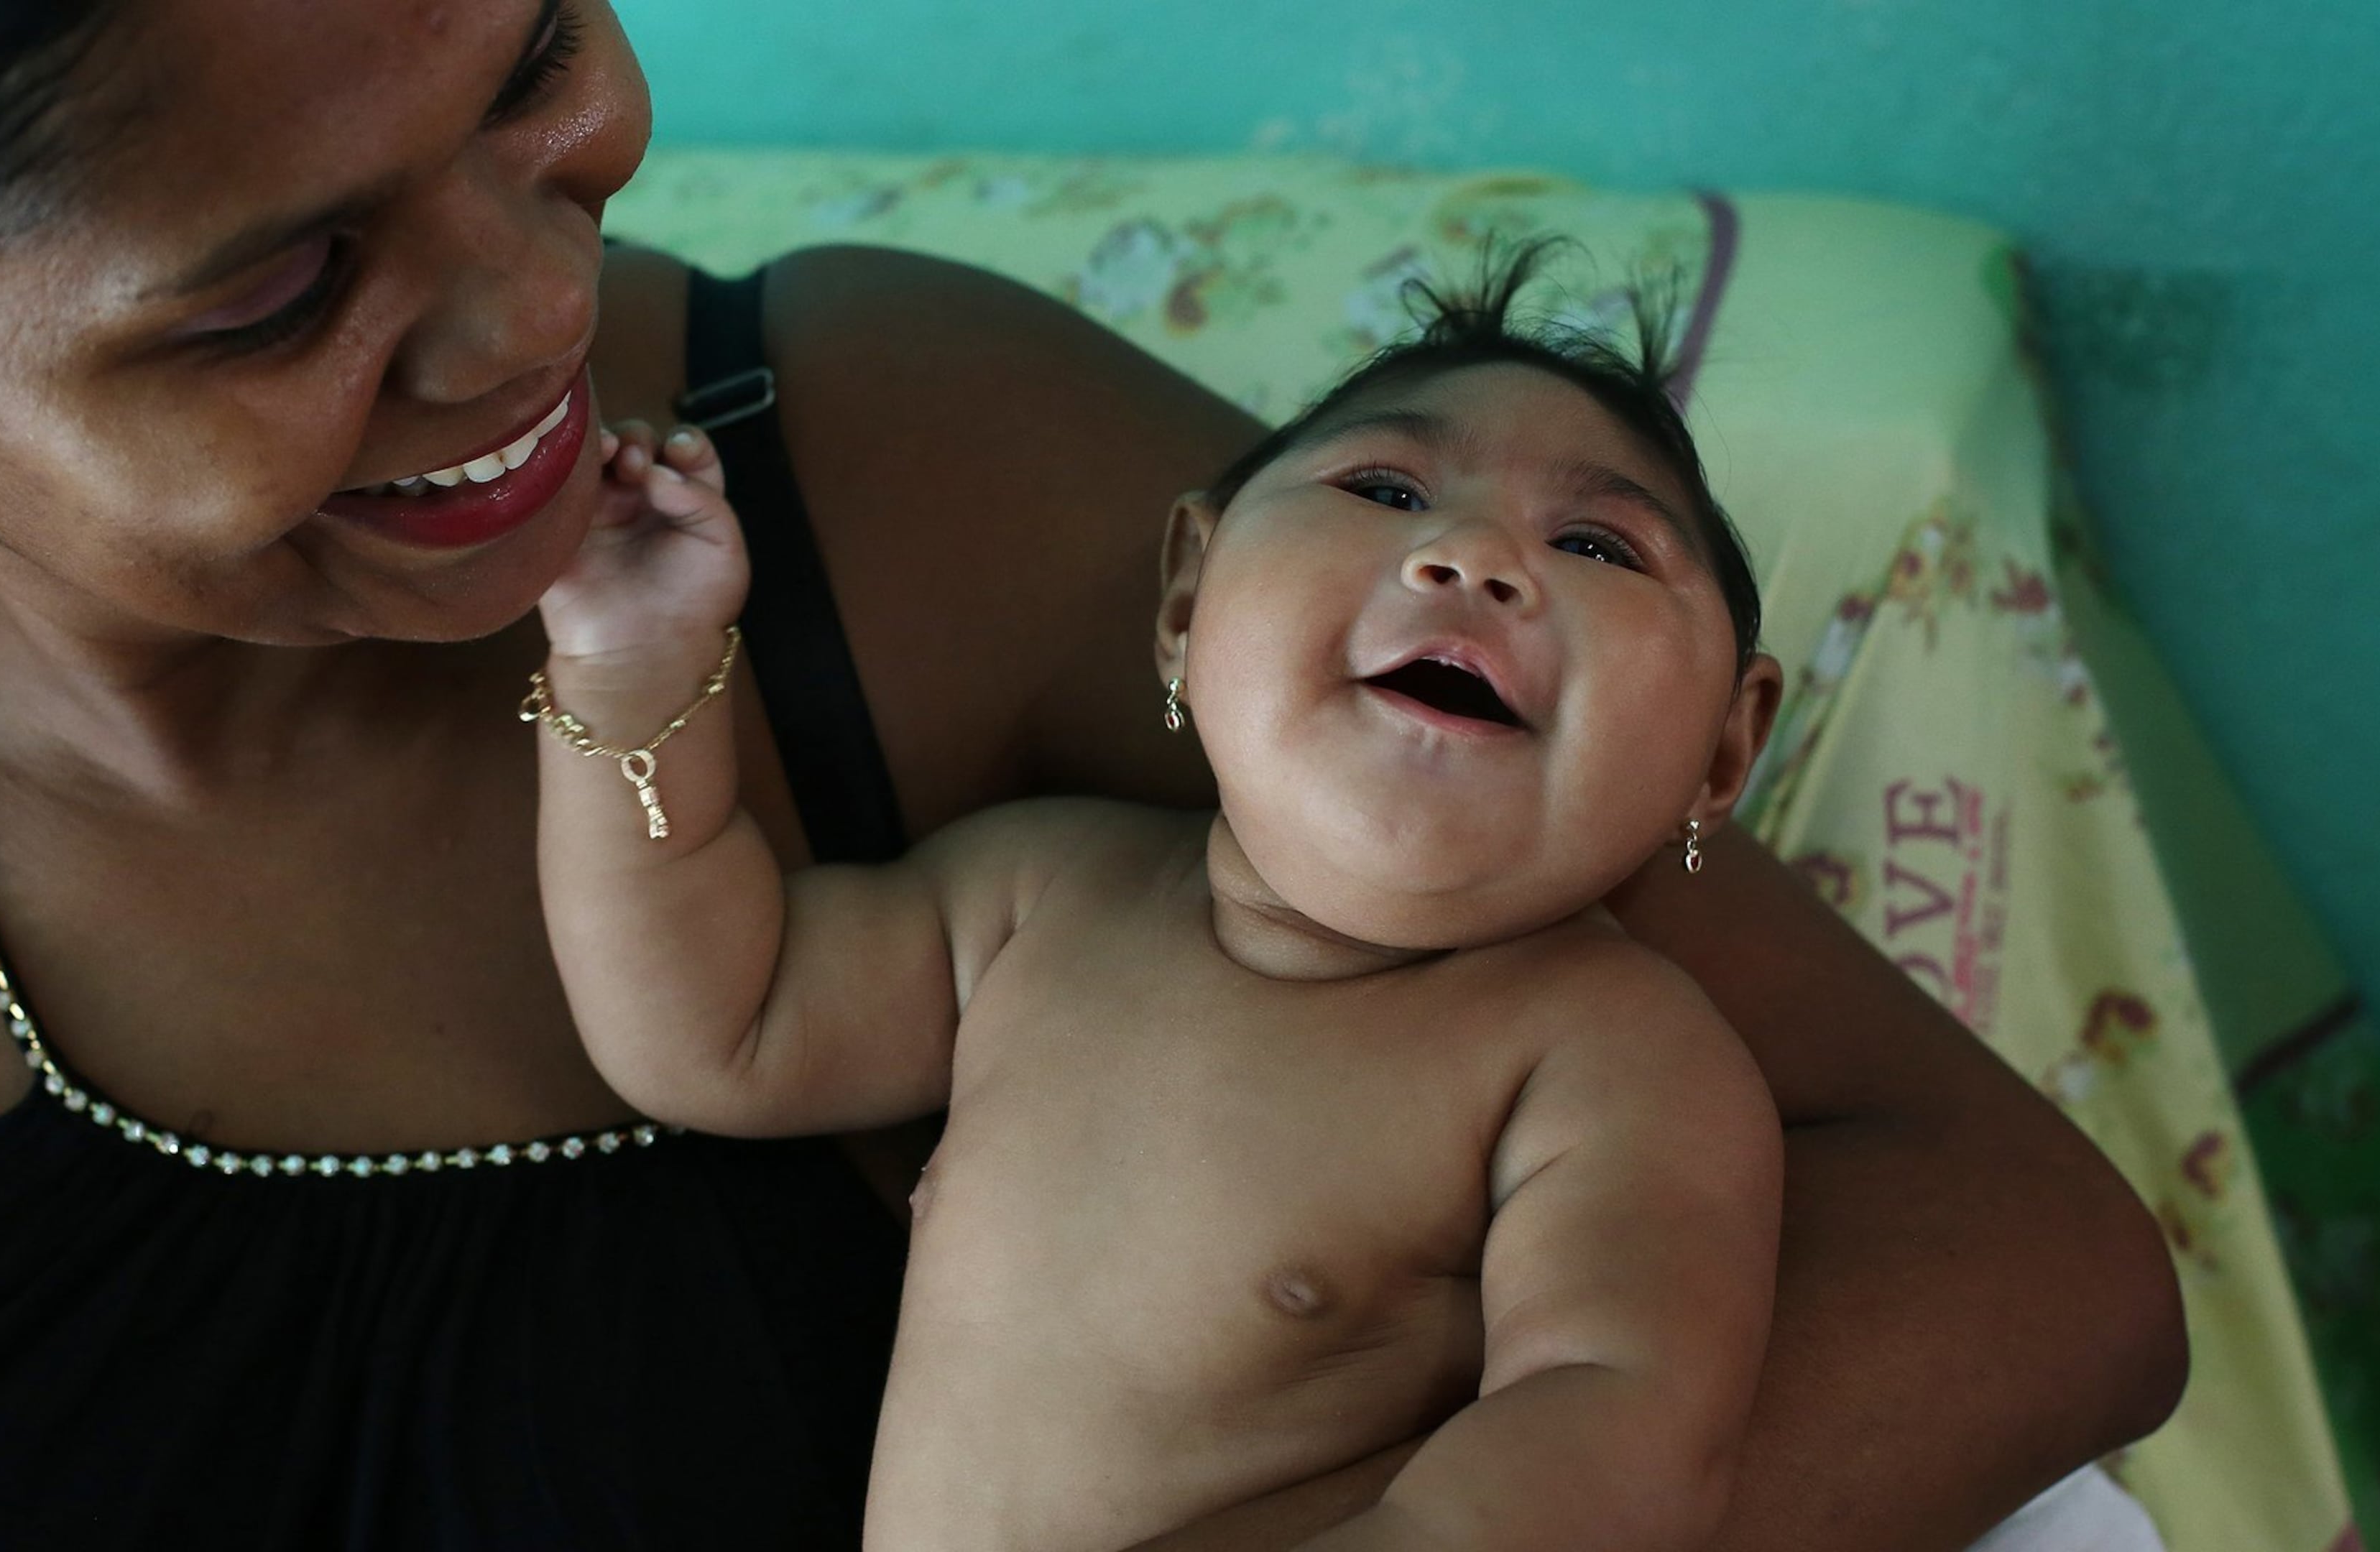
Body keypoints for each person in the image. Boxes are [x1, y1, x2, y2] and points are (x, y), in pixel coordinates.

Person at [0, 1, 2183, 1548]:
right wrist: (636, 701)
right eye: (277, 291)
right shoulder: (1008, 895)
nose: (536, 313)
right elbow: (711, 1004)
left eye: (534, 60)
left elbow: (2023, 1251)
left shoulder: (892, 473)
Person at [534, 259, 1785, 1552]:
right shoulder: (1033, 897)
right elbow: (714, 1029)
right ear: (1189, 595)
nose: (1471, 557)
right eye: (1387, 489)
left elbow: (1618, 1415)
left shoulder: (1611, 1053)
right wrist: (635, 675)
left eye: (1596, 545)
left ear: (1721, 756)